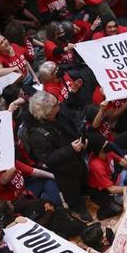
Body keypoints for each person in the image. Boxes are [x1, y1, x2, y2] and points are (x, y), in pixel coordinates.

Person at [23, 91, 92, 221]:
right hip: (64, 168)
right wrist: (70, 149)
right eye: (55, 104)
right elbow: (48, 159)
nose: (59, 103)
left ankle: (86, 191)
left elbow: (74, 121)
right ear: (47, 113)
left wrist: (83, 138)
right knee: (71, 189)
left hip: (77, 155)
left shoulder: (59, 113)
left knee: (82, 175)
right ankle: (77, 208)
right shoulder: (36, 134)